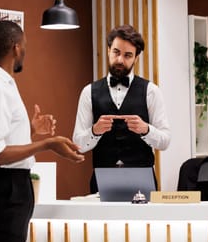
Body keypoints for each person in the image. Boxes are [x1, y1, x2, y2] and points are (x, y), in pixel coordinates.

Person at [0, 20, 84, 242]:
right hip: (6, 188)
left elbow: (1, 143)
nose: (25, 52)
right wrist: (46, 144)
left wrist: (29, 132)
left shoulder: (1, 84)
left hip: (11, 187)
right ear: (16, 48)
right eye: (25, 46)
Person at [72, 24, 171, 194]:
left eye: (127, 55)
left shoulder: (151, 91)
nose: (120, 60)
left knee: (143, 222)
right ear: (108, 50)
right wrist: (95, 131)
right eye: (116, 52)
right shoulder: (89, 92)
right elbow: (78, 144)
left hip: (143, 179)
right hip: (102, 178)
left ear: (136, 58)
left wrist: (146, 130)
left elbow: (165, 141)